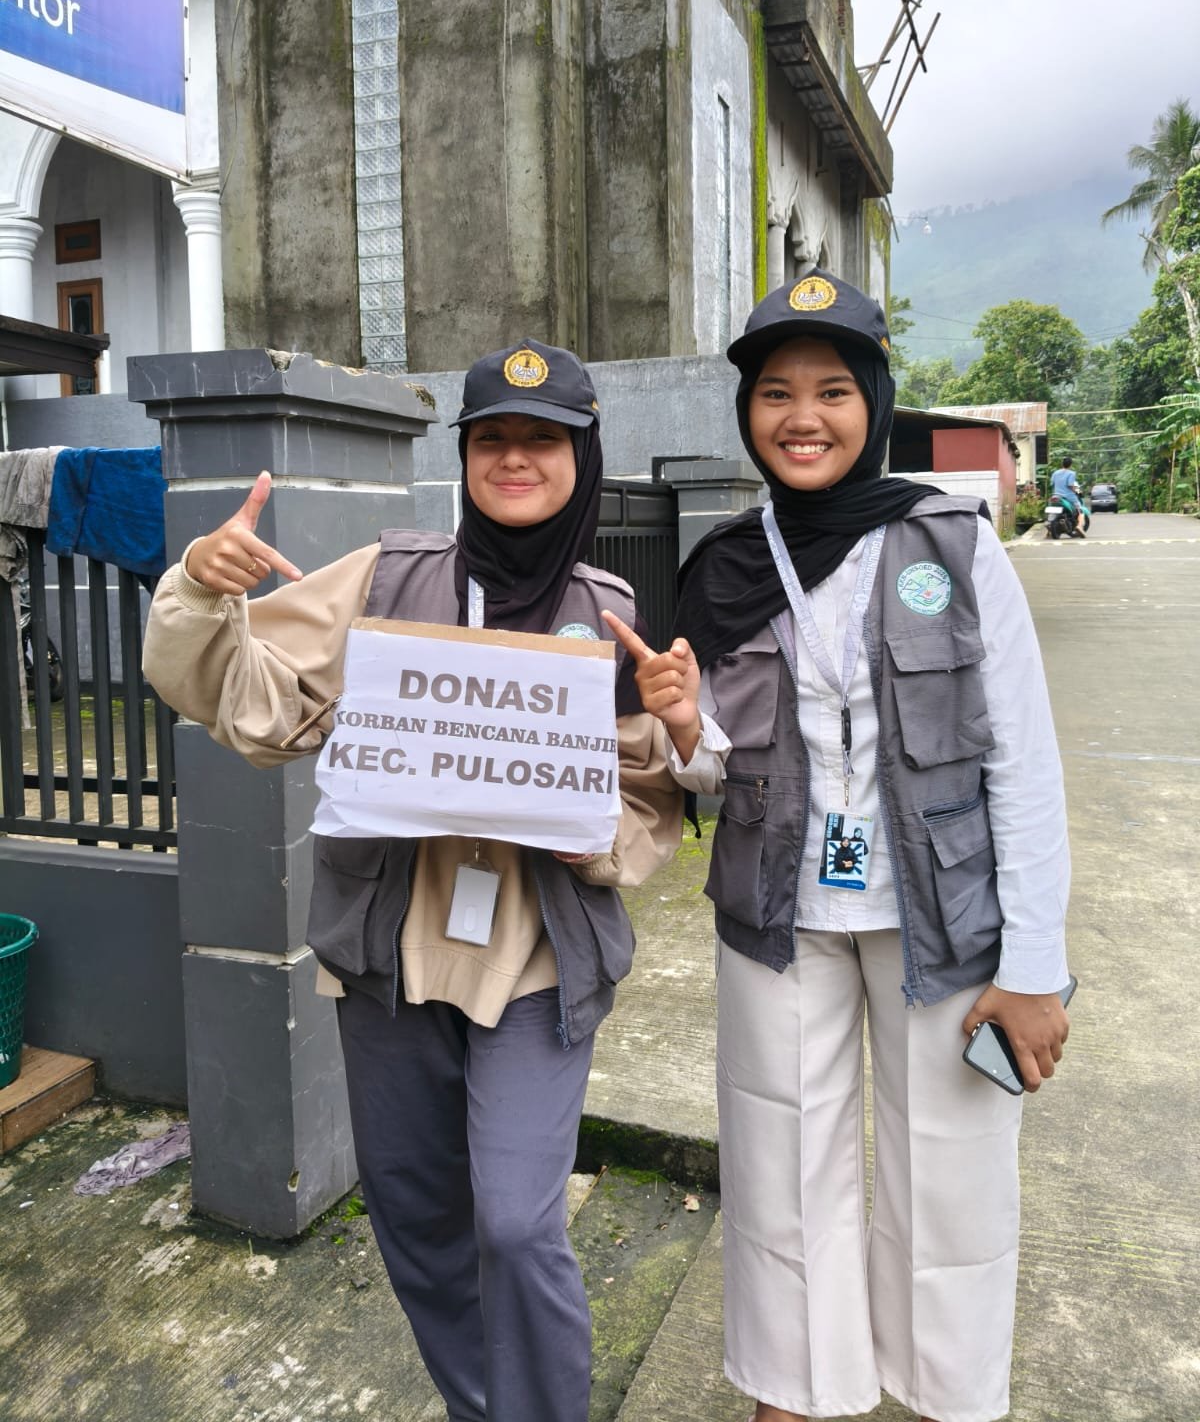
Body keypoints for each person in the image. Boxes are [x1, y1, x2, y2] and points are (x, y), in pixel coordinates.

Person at [143, 339, 682, 1422]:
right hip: (390, 952)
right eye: (494, 438)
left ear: (584, 455)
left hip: (535, 960)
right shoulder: (387, 578)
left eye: (545, 438)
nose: (517, 458)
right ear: (465, 455)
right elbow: (253, 702)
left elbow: (643, 813)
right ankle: (484, 1403)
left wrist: (639, 758)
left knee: (518, 1221)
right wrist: (203, 590)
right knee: (419, 1215)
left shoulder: (610, 609)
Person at [603, 272, 1071, 1422]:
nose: (801, 417)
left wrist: (1035, 966)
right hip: (779, 915)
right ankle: (795, 1394)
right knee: (782, 1169)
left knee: (950, 1181)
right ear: (747, 413)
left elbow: (1023, 759)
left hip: (944, 917)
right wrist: (679, 724)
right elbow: (715, 772)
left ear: (873, 399)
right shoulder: (725, 565)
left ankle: (948, 1397)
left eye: (830, 390)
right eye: (774, 393)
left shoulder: (953, 545)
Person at [1049, 455, 1086, 536]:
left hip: (1056, 495)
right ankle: (1079, 526)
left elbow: (1052, 484)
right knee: (1081, 511)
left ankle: (1049, 532)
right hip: (1068, 496)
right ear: (1070, 465)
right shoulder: (1071, 473)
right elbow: (1071, 485)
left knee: (1052, 512)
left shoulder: (1055, 473)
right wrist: (1078, 492)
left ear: (1062, 464)